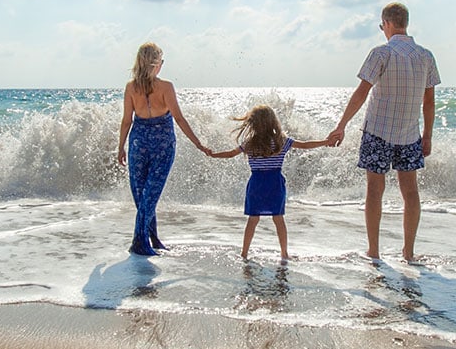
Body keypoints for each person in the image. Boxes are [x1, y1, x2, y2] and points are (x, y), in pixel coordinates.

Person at [327, 2, 440, 262]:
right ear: (406, 23)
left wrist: (341, 125)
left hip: (378, 131)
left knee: (374, 190)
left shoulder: (381, 53)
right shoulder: (426, 56)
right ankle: (408, 252)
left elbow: (361, 93)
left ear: (387, 23)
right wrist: (428, 135)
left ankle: (374, 251)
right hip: (410, 134)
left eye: (382, 26)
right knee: (410, 192)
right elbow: (429, 102)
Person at [118, 42, 209, 256]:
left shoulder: (131, 87)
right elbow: (178, 118)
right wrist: (198, 143)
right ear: (157, 64)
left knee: (144, 195)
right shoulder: (166, 87)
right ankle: (140, 242)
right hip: (162, 144)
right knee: (149, 194)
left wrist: (120, 146)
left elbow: (126, 121)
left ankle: (152, 239)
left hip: (138, 142)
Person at [210, 105, 328, 260]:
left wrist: (212, 154)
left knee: (253, 219)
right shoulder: (281, 141)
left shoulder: (249, 143)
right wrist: (325, 142)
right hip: (275, 184)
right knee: (278, 219)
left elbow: (231, 154)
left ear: (253, 124)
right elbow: (305, 145)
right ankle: (284, 253)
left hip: (256, 184)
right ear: (273, 122)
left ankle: (244, 253)